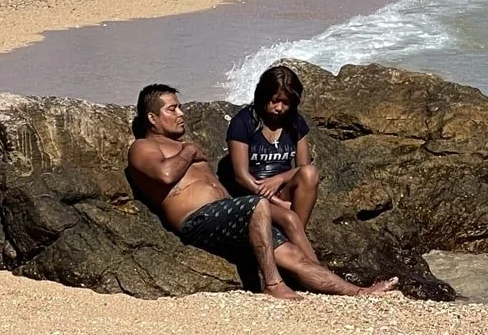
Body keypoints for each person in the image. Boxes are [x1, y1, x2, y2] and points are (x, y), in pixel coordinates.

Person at [126, 84, 392, 298]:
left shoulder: (180, 146)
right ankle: (273, 284)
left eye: (180, 107)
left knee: (293, 256)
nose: (181, 113)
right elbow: (165, 174)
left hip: (230, 218)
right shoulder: (143, 147)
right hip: (197, 220)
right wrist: (190, 150)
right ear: (152, 118)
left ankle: (357, 292)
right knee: (257, 204)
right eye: (172, 109)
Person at [224, 64, 323, 240]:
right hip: (252, 194)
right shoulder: (243, 122)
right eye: (275, 101)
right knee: (290, 219)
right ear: (263, 96)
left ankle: (293, 238)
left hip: (283, 191)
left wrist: (278, 179)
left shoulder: (296, 122)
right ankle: (297, 242)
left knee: (311, 172)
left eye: (286, 103)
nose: (279, 108)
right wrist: (279, 203)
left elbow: (303, 168)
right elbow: (241, 176)